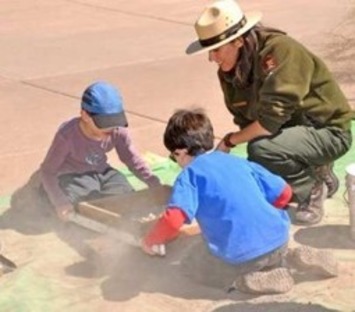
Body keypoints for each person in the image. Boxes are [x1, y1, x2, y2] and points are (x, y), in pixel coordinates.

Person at [185, 0, 353, 225]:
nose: (211, 58)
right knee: (259, 166)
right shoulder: (230, 72)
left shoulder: (280, 51)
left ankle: (312, 188)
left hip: (328, 131)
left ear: (238, 41)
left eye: (215, 50)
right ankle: (315, 166)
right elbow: (246, 121)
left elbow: (269, 122)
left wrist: (228, 142)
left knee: (263, 150)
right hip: (292, 131)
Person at [141, 108, 337, 294]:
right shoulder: (238, 161)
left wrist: (152, 240)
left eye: (173, 156)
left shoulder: (189, 176)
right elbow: (284, 192)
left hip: (242, 257)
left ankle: (245, 281)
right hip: (280, 239)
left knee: (193, 265)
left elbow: (174, 218)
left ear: (180, 152)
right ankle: (291, 258)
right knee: (269, 251)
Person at [40, 81, 161, 220]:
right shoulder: (67, 135)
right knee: (86, 204)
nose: (109, 129)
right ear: (85, 116)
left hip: (102, 171)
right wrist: (59, 202)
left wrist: (153, 183)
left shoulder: (117, 130)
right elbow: (48, 171)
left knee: (126, 196)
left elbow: (131, 159)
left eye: (114, 122)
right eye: (104, 123)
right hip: (73, 174)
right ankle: (44, 194)